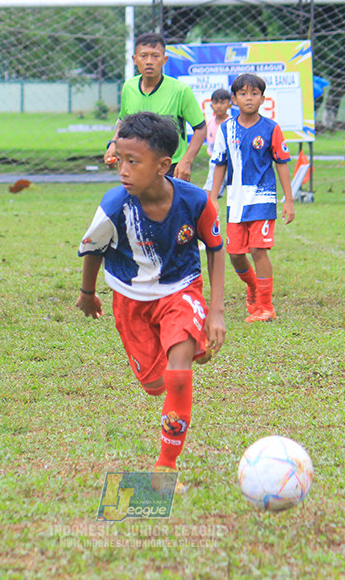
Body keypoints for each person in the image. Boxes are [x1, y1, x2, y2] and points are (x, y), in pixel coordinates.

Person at [77, 111, 225, 491]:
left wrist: (217, 312)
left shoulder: (195, 201)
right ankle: (187, 347)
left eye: (132, 162)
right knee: (156, 384)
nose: (122, 170)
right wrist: (87, 294)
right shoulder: (114, 207)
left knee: (178, 377)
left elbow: (215, 248)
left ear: (163, 166)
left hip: (181, 290)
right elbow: (93, 249)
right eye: (119, 159)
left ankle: (165, 468)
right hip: (130, 300)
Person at [209, 73, 294, 323]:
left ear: (263, 99)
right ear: (234, 99)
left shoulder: (271, 128)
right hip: (236, 200)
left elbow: (282, 164)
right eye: (243, 94)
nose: (249, 98)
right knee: (235, 253)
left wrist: (288, 200)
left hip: (263, 197)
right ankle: (254, 287)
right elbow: (220, 164)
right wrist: (213, 198)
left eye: (254, 93)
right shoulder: (226, 129)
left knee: (258, 249)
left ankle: (266, 307)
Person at [104, 32, 208, 182]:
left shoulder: (180, 90)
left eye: (155, 56)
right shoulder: (129, 87)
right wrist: (113, 144)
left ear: (164, 60)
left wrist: (186, 161)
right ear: (135, 59)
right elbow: (123, 122)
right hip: (138, 166)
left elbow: (201, 128)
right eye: (143, 56)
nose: (149, 61)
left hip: (171, 167)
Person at [202, 87, 233, 195]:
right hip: (215, 162)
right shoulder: (209, 123)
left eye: (223, 103)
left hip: (231, 163)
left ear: (229, 105)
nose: (219, 106)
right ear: (211, 105)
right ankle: (213, 211)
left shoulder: (232, 123)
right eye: (216, 103)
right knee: (209, 193)